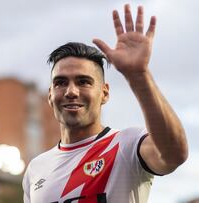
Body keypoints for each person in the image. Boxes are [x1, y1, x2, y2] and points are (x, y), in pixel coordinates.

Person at [22, 4, 188, 203]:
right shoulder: (36, 169)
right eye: (61, 83)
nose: (71, 91)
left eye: (83, 82)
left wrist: (139, 76)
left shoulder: (127, 145)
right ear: (50, 95)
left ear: (104, 93)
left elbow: (174, 154)